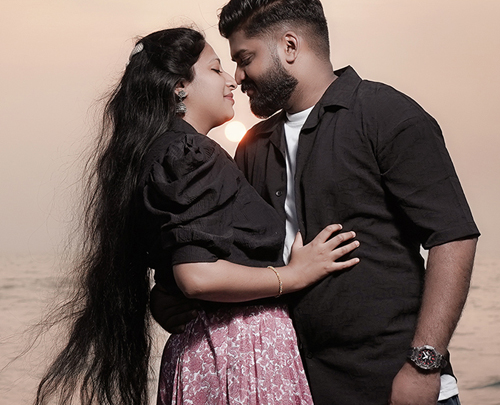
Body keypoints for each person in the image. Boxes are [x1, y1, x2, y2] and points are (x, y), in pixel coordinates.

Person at [153, 0, 479, 405]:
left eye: (245, 58)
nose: (238, 76)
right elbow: (226, 254)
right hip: (294, 386)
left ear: (290, 46)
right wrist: (168, 298)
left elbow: (453, 237)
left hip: (396, 384)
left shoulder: (384, 113)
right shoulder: (251, 147)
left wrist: (423, 365)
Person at [34, 27, 360, 405]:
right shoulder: (188, 153)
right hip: (240, 355)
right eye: (216, 69)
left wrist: (166, 298)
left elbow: (179, 270)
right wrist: (294, 275)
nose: (231, 81)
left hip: (207, 352)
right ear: (179, 87)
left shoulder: (159, 155)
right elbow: (197, 274)